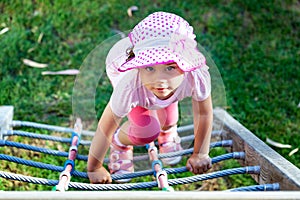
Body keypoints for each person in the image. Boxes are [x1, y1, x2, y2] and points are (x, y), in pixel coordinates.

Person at [87, 11, 213, 184]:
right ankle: (120, 143)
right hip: (126, 73)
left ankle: (167, 131)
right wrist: (94, 167)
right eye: (150, 68)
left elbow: (204, 114)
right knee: (146, 129)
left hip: (154, 76)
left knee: (169, 118)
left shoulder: (196, 75)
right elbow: (106, 126)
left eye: (170, 68)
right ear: (139, 67)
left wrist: (200, 153)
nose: (159, 80)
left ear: (186, 64)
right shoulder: (130, 86)